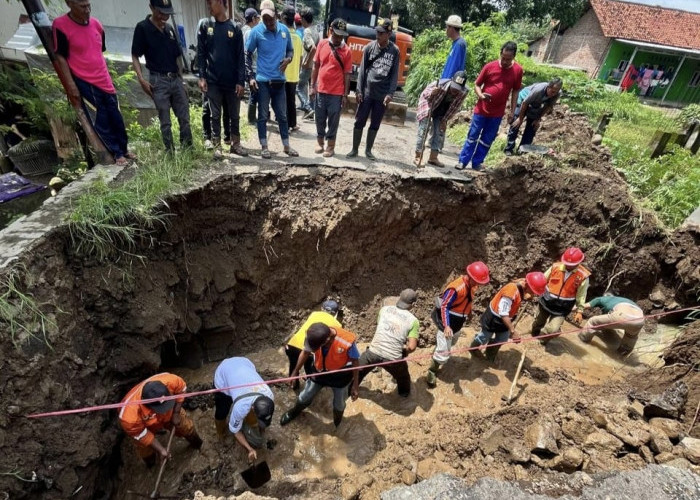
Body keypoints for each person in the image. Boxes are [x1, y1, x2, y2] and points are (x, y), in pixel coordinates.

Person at [52, 0, 134, 166]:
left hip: (104, 79)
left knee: (116, 116)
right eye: (82, 6)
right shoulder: (60, 25)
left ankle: (124, 148)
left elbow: (98, 53)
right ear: (70, 4)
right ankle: (117, 153)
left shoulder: (96, 25)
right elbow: (60, 57)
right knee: (101, 119)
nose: (87, 10)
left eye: (89, 5)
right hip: (85, 81)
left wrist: (108, 75)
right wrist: (71, 85)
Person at [131, 0, 192, 153]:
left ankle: (188, 149)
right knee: (165, 120)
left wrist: (182, 81)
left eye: (167, 13)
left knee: (184, 116)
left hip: (175, 78)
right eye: (160, 12)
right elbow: (135, 55)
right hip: (158, 80)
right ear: (151, 8)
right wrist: (141, 79)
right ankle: (170, 151)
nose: (164, 16)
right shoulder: (143, 28)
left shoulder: (170, 29)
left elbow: (177, 57)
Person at [456, 41, 523, 174]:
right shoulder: (489, 67)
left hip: (497, 113)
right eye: (503, 58)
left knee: (487, 139)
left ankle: (477, 162)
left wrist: (512, 110)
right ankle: (463, 161)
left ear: (514, 57)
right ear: (500, 53)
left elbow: (515, 91)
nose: (504, 61)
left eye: (508, 59)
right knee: (472, 135)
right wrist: (480, 95)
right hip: (481, 109)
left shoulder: (517, 71)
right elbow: (477, 84)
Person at [280, 322, 360, 428]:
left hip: (340, 375)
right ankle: (294, 412)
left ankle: (337, 423)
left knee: (339, 405)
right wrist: (295, 372)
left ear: (326, 341)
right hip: (319, 372)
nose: (311, 349)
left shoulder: (347, 341)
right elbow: (305, 352)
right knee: (304, 396)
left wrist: (355, 385)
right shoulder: (313, 336)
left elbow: (355, 361)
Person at [246, 4, 298, 159]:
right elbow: (247, 54)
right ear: (261, 18)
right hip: (263, 82)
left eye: (271, 19)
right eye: (265, 19)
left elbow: (290, 50)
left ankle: (287, 146)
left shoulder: (284, 32)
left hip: (279, 82)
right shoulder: (256, 32)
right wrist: (250, 77)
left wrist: (288, 59)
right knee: (262, 115)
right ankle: (264, 146)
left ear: (276, 16)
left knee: (282, 116)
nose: (268, 22)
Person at [426, 262, 490, 388]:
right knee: (444, 354)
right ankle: (432, 371)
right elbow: (444, 306)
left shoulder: (472, 286)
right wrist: (446, 326)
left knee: (452, 343)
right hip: (447, 324)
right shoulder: (456, 288)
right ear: (471, 277)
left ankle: (438, 350)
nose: (478, 285)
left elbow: (467, 300)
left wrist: (468, 313)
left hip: (458, 323)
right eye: (477, 281)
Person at [197, 0, 246, 159]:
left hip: (232, 82)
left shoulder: (235, 28)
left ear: (220, 2)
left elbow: (240, 58)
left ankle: (235, 144)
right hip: (213, 80)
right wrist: (202, 76)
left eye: (210, 2)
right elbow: (201, 53)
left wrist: (240, 81)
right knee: (215, 114)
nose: (208, 6)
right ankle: (217, 146)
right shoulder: (206, 26)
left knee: (234, 114)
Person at [119, 373, 202, 466]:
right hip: (142, 424)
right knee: (144, 447)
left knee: (185, 426)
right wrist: (161, 449)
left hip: (170, 413)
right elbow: (141, 434)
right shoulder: (129, 417)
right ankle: (150, 463)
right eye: (161, 408)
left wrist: (175, 413)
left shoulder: (170, 381)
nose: (163, 410)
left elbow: (182, 390)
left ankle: (198, 445)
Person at [346, 19, 399, 161]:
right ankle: (354, 149)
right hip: (367, 92)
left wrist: (390, 94)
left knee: (375, 123)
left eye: (381, 33)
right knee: (359, 121)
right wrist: (358, 91)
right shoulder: (369, 47)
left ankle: (368, 150)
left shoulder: (395, 51)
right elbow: (362, 71)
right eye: (377, 32)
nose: (378, 35)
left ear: (389, 34)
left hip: (382, 95)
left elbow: (394, 74)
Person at [470, 272, 547, 361]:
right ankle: (474, 349)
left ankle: (490, 354)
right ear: (528, 285)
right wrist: (513, 331)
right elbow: (503, 313)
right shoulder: (511, 291)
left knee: (502, 338)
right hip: (494, 318)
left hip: (505, 319)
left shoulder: (523, 284)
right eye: (533, 291)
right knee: (484, 336)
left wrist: (527, 295)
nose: (534, 294)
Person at [358, 289, 419, 397]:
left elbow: (380, 328)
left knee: (358, 371)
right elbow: (412, 347)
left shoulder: (384, 310)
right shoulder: (413, 321)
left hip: (373, 352)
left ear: (399, 298)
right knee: (403, 377)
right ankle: (404, 395)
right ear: (413, 304)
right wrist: (405, 351)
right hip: (393, 359)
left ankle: (349, 390)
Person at [213, 357, 275, 462]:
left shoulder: (269, 395)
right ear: (252, 408)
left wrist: (262, 429)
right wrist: (249, 449)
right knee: (222, 411)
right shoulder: (240, 407)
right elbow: (236, 432)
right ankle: (220, 433)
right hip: (223, 378)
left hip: (244, 363)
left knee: (251, 420)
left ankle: (252, 423)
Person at [530, 247, 591, 345]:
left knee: (553, 329)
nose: (568, 266)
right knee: (538, 323)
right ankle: (533, 336)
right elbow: (542, 279)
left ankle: (541, 342)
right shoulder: (555, 267)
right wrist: (533, 289)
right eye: (566, 263)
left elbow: (581, 295)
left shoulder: (582, 276)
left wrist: (580, 311)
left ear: (578, 263)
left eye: (571, 264)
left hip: (562, 308)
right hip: (546, 301)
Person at [311, 18, 352, 158]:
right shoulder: (322, 44)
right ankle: (319, 142)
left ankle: (330, 146)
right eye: (336, 34)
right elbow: (315, 66)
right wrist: (312, 86)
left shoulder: (346, 51)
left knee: (333, 120)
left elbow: (347, 74)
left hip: (336, 93)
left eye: (341, 35)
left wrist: (345, 95)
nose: (339, 38)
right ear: (330, 31)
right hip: (321, 90)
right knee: (320, 118)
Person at [413, 71, 468, 168]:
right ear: (451, 81)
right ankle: (418, 156)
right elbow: (424, 95)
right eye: (454, 87)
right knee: (423, 130)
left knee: (439, 132)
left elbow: (455, 107)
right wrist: (431, 93)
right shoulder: (439, 84)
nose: (454, 91)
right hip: (429, 104)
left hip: (443, 110)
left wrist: (445, 120)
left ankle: (433, 158)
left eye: (457, 89)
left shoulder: (463, 92)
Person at [284, 299, 342, 390]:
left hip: (292, 345)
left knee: (294, 366)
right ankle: (310, 387)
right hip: (310, 350)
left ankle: (294, 386)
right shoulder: (337, 324)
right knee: (310, 369)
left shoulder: (314, 314)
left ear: (322, 309)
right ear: (335, 313)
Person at [504, 78, 562, 155]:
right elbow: (525, 103)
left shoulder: (557, 93)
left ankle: (524, 149)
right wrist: (520, 118)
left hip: (535, 104)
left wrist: (538, 119)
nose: (553, 94)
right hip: (523, 100)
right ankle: (509, 149)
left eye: (556, 92)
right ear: (548, 87)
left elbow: (548, 106)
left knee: (532, 127)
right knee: (516, 123)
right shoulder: (538, 90)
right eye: (552, 92)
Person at [579, 294, 644, 356]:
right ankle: (621, 356)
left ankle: (582, 340)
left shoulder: (602, 299)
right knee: (631, 336)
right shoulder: (621, 300)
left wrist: (571, 308)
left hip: (622, 315)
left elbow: (583, 306)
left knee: (592, 322)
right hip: (639, 320)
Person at [281, 7, 302, 132]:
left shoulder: (283, 35)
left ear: (283, 18)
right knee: (291, 101)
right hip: (294, 75)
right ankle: (293, 124)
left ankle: (286, 126)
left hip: (283, 73)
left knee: (282, 102)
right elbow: (299, 57)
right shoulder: (298, 37)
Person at [241, 8, 261, 125]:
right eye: (257, 18)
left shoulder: (243, 30)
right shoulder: (250, 32)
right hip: (251, 66)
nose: (258, 21)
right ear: (253, 19)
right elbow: (251, 51)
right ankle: (251, 118)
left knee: (253, 92)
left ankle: (252, 117)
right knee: (254, 92)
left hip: (246, 65)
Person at [297, 8, 318, 118]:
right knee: (311, 88)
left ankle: (308, 108)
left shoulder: (307, 31)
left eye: (301, 19)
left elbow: (313, 48)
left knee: (299, 87)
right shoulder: (315, 30)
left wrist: (306, 61)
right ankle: (310, 112)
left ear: (304, 19)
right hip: (314, 66)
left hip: (308, 66)